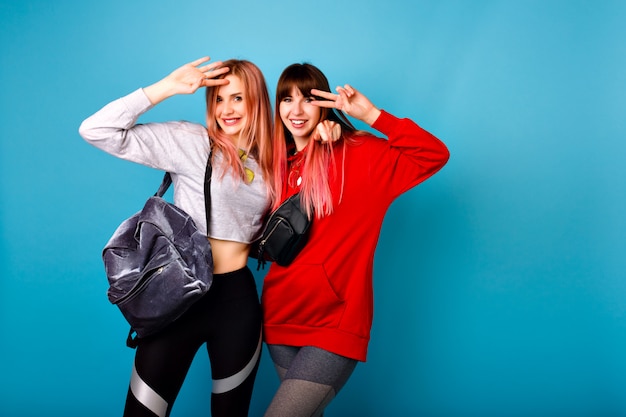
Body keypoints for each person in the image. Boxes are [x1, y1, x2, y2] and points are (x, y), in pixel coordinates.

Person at [79, 57, 274, 417]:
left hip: (238, 302)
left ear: (257, 102)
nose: (226, 109)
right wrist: (166, 87)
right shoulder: (191, 141)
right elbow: (96, 130)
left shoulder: (276, 159)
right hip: (179, 296)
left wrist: (333, 132)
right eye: (218, 98)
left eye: (238, 98)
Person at [261, 63, 450, 417]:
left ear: (326, 104)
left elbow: (434, 154)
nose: (296, 110)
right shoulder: (274, 164)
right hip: (279, 316)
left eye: (308, 99)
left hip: (335, 322)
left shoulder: (361, 154)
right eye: (286, 99)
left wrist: (372, 115)